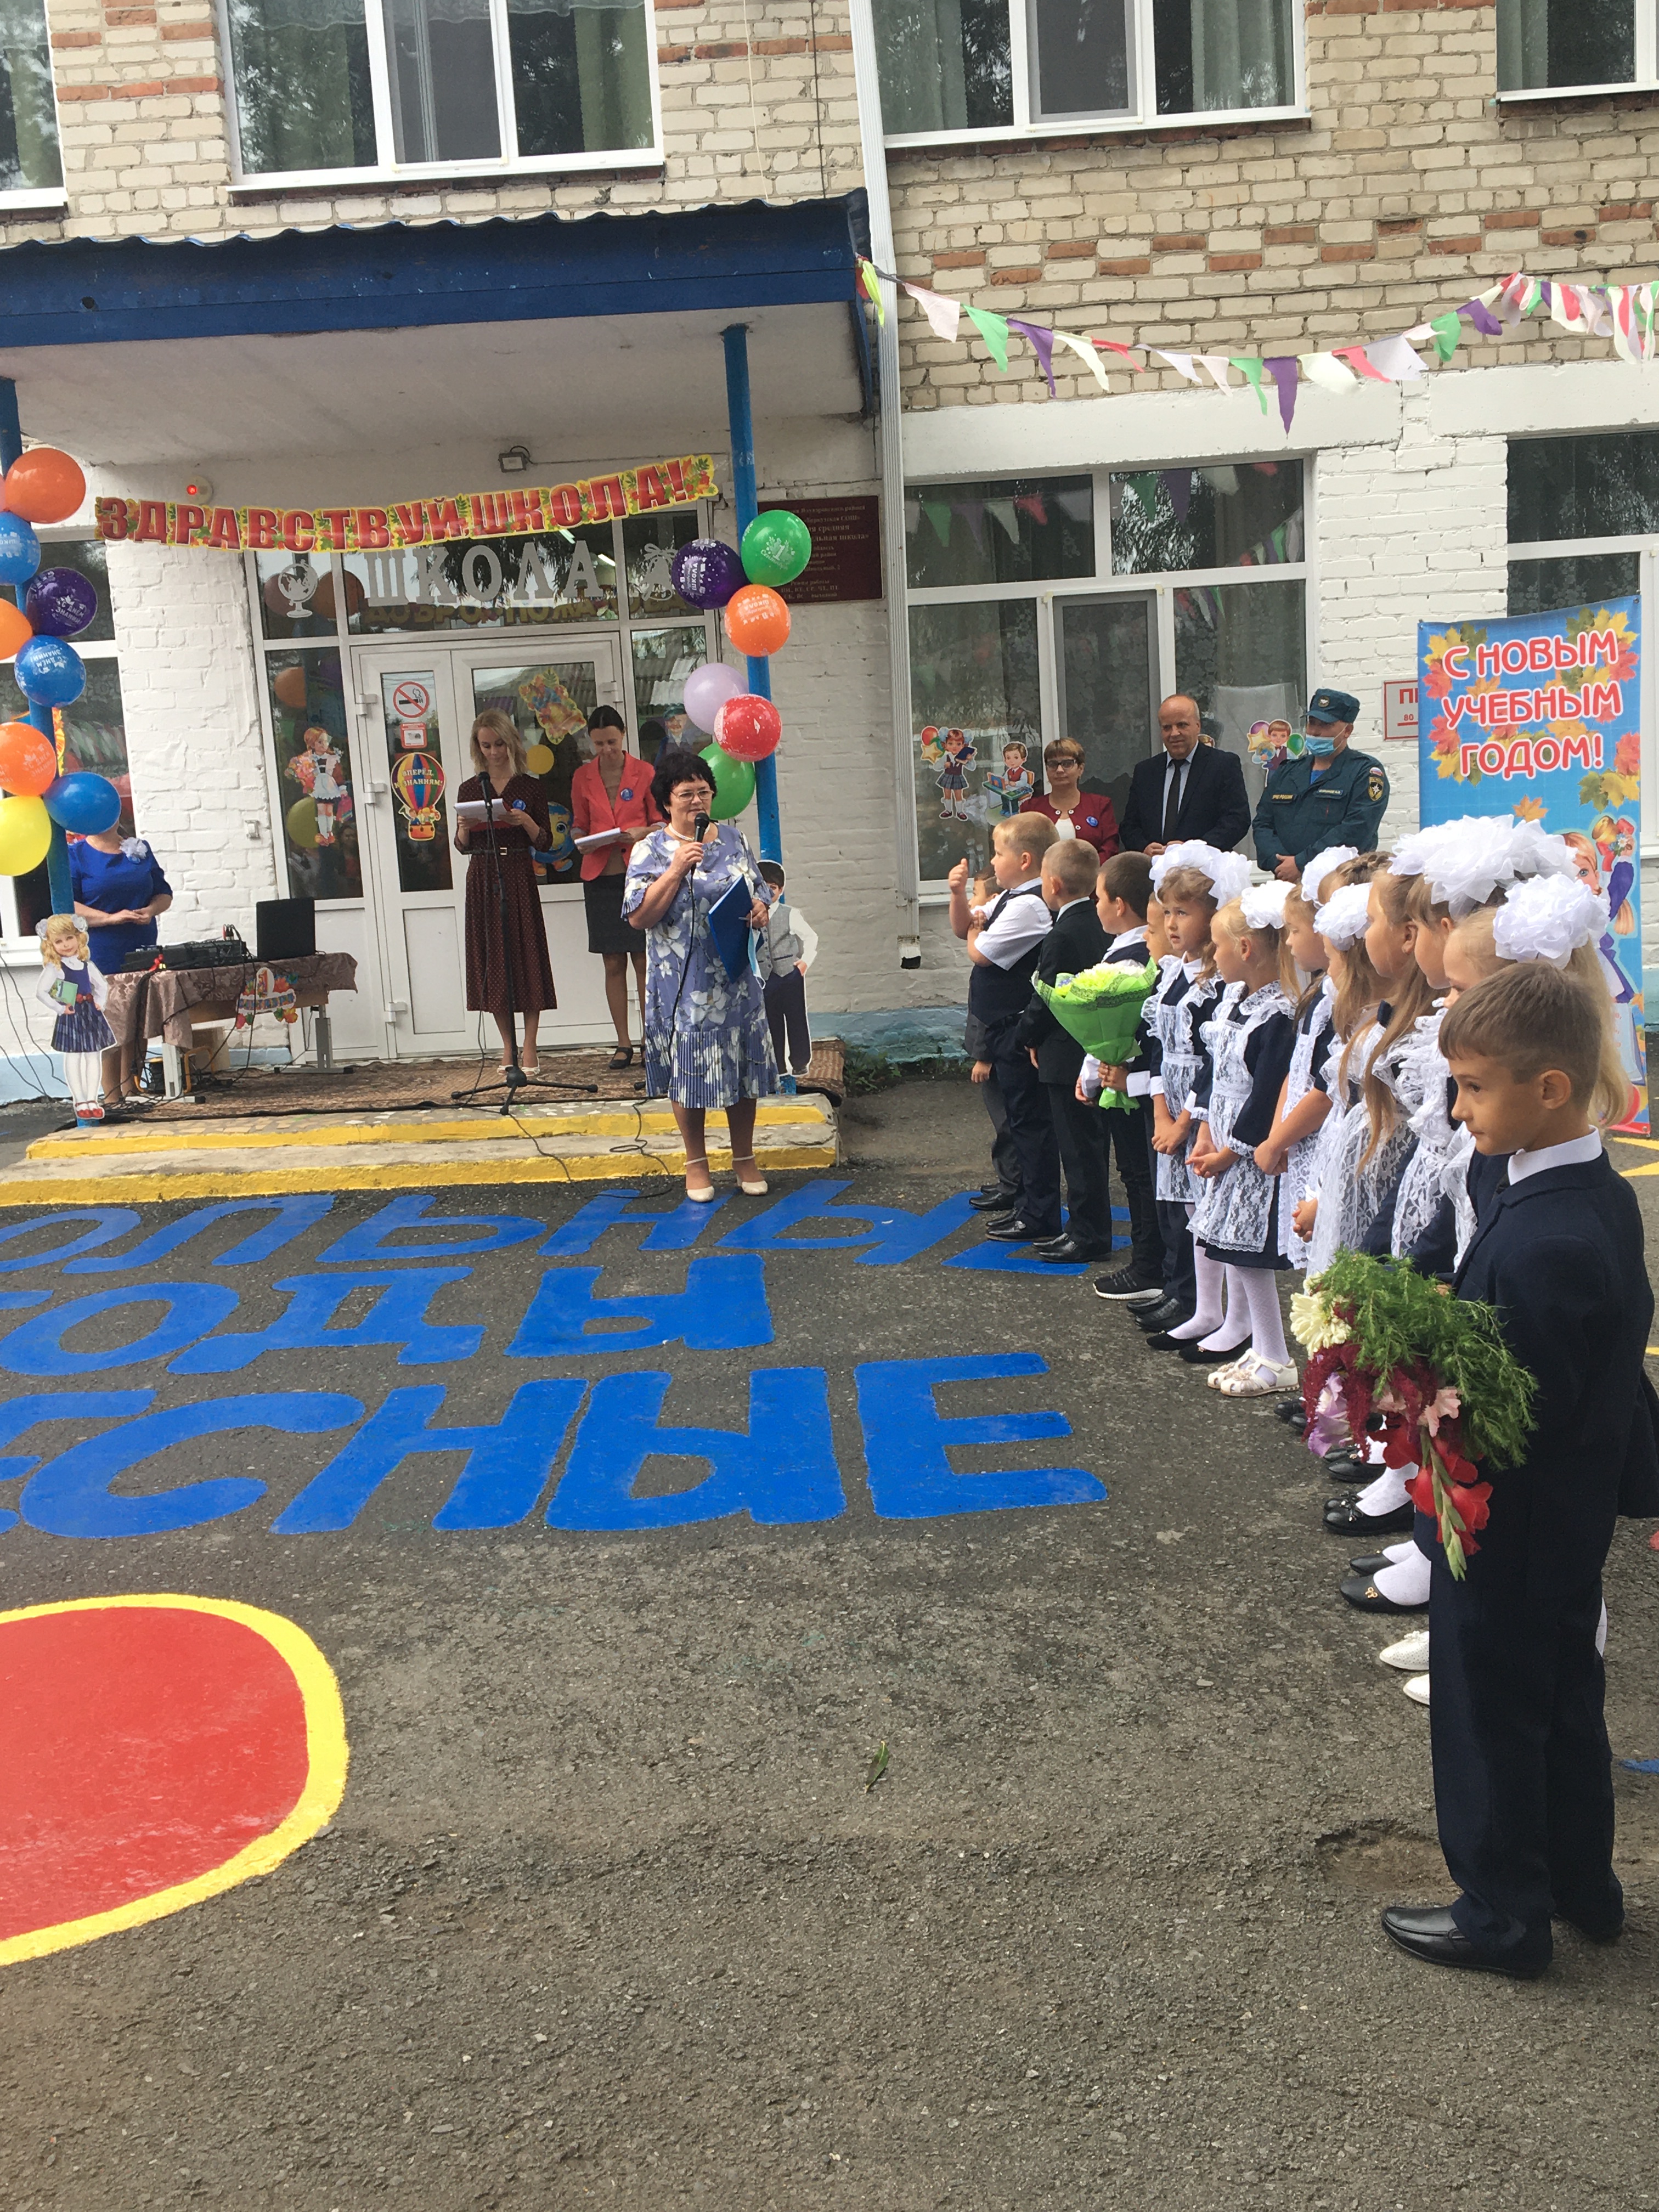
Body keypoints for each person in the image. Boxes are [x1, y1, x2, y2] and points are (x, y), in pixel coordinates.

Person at [1383, 960, 1659, 1979]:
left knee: (1490, 1707)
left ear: (1549, 1088)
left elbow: (1513, 1417)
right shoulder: (1574, 1185)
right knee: (1560, 1695)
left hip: (1512, 1516)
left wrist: (1412, 1381)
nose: (1458, 1109)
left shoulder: (1549, 1238)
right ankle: (1581, 1885)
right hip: (1563, 1512)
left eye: (1472, 1087)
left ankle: (1503, 1914)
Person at [624, 748, 776, 1202]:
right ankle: (696, 1162)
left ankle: (744, 1157)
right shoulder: (650, 850)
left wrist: (760, 908)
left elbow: (760, 891)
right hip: (683, 984)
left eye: (703, 792)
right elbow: (639, 917)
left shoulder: (734, 840)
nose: (697, 801)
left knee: (742, 1065)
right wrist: (675, 869)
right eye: (686, 793)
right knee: (689, 1069)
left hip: (735, 976)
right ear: (666, 801)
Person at [1176, 883, 1299, 1396]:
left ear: (1245, 949)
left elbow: (1267, 1093)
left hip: (1248, 1154)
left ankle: (1276, 1353)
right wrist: (1206, 1131)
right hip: (1223, 1144)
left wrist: (1231, 1151)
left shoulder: (1278, 1014)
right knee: (1228, 1246)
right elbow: (1216, 1071)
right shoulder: (1235, 1002)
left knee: (1250, 1252)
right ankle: (1262, 1346)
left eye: (1219, 945)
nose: (1213, 953)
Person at [947, 812, 1059, 1245]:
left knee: (1028, 1121)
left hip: (1016, 1024)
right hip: (1001, 1024)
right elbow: (965, 927)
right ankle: (1022, 1197)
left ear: (1025, 860)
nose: (992, 863)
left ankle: (1037, 1210)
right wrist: (958, 895)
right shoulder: (1011, 898)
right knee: (1016, 1117)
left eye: (998, 854)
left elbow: (981, 953)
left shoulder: (1030, 906)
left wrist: (977, 933)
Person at [1012, 837, 1114, 1264]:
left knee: (1077, 1150)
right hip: (1095, 1048)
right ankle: (1086, 1227)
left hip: (1066, 1055)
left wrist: (1025, 1037)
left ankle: (1088, 1233)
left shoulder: (1062, 935)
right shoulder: (1101, 924)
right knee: (1092, 1146)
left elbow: (1049, 997)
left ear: (1053, 884)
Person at [1082, 850, 1166, 1297]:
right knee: (1136, 1174)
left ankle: (1149, 1265)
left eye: (1099, 898)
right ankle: (1152, 1262)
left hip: (1133, 1082)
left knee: (1139, 1175)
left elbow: (1114, 1027)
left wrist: (1093, 1076)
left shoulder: (1131, 960)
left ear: (1119, 905)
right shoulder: (1128, 949)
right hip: (1127, 1078)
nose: (1095, 905)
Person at [455, 708, 555, 1075]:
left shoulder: (530, 787)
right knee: (492, 959)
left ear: (511, 743)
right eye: (486, 746)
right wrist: (464, 827)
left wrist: (525, 821)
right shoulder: (470, 788)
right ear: (477, 748)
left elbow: (545, 841)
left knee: (526, 955)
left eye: (499, 744)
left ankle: (530, 1045)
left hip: (516, 871)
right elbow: (461, 846)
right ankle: (508, 1046)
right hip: (482, 875)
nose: (494, 752)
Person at [571, 705, 662, 1070]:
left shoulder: (645, 771)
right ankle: (622, 1042)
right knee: (612, 962)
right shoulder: (582, 776)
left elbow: (662, 822)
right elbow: (579, 823)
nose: (606, 750)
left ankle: (650, 1039)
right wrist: (580, 839)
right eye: (599, 744)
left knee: (643, 960)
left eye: (611, 742)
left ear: (623, 735)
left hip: (638, 874)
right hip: (600, 875)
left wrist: (643, 832)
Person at [69, 824, 172, 1110]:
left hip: (141, 945)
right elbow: (68, 906)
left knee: (138, 1018)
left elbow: (163, 893)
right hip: (101, 950)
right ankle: (113, 1098)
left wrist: (151, 911)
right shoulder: (75, 855)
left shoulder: (140, 849)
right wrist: (109, 918)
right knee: (112, 1021)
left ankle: (133, 1089)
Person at [1253, 687, 1390, 880]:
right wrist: (1280, 863)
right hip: (1286, 880)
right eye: (1312, 723)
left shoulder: (1364, 772)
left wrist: (1301, 863)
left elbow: (1357, 829)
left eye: (1326, 725)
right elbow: (1263, 822)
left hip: (1339, 882)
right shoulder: (1288, 772)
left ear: (1347, 731)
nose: (1315, 731)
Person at [1118, 694, 1251, 856]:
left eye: (1182, 725)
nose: (1174, 733)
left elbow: (1237, 819)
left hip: (1204, 867)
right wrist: (1144, 847)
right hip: (1154, 867)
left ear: (1198, 726)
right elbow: (1129, 826)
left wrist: (1195, 849)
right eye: (1167, 728)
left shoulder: (1223, 765)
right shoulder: (1146, 771)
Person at [962, 866, 1022, 1216]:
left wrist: (984, 1056)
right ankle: (1007, 1180)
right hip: (991, 1049)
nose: (972, 902)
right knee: (1002, 1117)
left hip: (996, 1052)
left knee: (1006, 1120)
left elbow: (990, 1006)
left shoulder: (994, 947)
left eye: (976, 895)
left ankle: (1012, 1185)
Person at [36, 912, 116, 1124]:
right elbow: (42, 992)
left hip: (90, 1013)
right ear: (51, 945)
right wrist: (60, 1008)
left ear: (78, 938)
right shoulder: (55, 968)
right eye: (59, 941)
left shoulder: (87, 965)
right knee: (73, 1057)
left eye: (69, 938)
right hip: (71, 1015)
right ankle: (80, 1100)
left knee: (93, 1056)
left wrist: (100, 1002)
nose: (66, 945)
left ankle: (92, 1099)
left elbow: (102, 985)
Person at [757, 860, 818, 1087]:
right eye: (763, 887)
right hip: (766, 978)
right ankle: (779, 1065)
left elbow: (811, 937)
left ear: (781, 890)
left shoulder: (790, 914)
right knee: (771, 1020)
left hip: (789, 974)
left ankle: (800, 1061)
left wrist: (804, 963)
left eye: (773, 887)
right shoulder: (751, 916)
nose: (768, 892)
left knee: (796, 1018)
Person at [1020, 739, 1120, 859]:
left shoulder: (1100, 805)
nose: (1059, 770)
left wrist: (1090, 869)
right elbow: (1022, 849)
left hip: (1094, 871)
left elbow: (1110, 848)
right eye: (1053, 764)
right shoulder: (1030, 808)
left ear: (1080, 769)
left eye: (1067, 764)